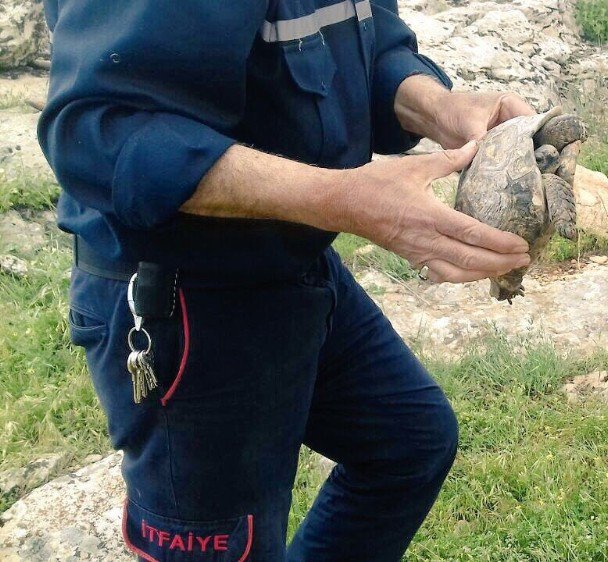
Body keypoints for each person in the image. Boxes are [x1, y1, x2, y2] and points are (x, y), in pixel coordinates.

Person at [38, 0, 535, 559]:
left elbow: (365, 45)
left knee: (407, 443)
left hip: (293, 259)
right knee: (230, 545)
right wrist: (343, 199)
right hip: (186, 300)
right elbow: (101, 134)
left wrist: (437, 106)